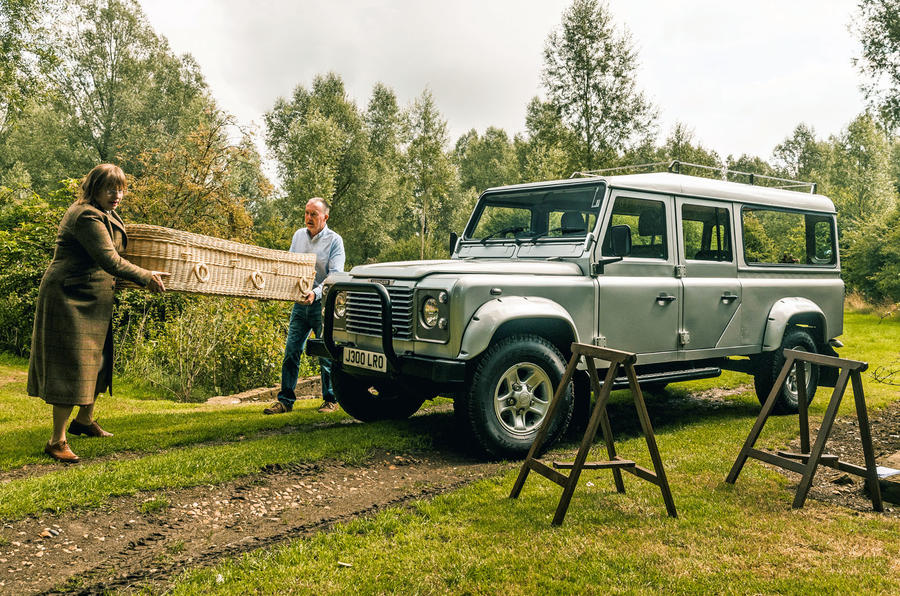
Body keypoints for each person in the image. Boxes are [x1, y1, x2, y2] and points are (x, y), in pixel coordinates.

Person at [27, 164, 168, 463]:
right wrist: (145, 276)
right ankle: (57, 440)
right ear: (94, 188)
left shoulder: (106, 212)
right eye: (110, 189)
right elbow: (109, 259)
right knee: (73, 364)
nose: (117, 195)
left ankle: (84, 421)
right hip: (69, 296)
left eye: (121, 189)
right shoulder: (86, 216)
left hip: (93, 297)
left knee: (99, 359)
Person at [264, 197, 345, 415]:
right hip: (300, 304)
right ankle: (285, 401)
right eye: (307, 213)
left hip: (323, 306)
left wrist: (315, 293)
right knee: (291, 351)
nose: (309, 218)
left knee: (326, 354)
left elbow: (335, 277)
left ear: (325, 217)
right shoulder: (299, 236)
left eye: (314, 214)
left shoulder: (335, 241)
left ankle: (330, 399)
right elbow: (290, 267)